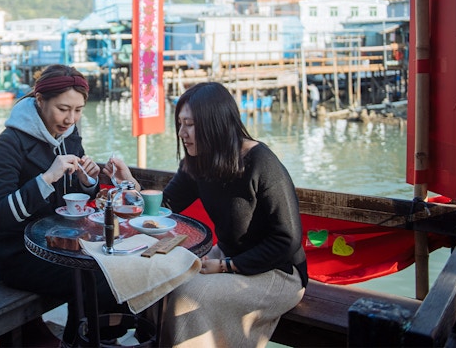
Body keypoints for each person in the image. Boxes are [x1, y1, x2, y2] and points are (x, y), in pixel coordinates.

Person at [105, 82, 307, 348]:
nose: (181, 133)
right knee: (159, 281)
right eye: (180, 124)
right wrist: (129, 184)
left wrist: (227, 267)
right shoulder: (198, 162)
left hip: (278, 272)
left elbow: (287, 240)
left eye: (189, 124)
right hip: (227, 255)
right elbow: (166, 205)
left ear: (215, 123)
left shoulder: (261, 162)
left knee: (188, 295)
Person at [0, 64, 129, 344]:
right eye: (63, 109)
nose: (70, 119)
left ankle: (88, 339)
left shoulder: (70, 136)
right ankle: (86, 341)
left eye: (78, 110)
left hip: (60, 244)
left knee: (112, 268)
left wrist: (89, 180)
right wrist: (46, 178)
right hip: (17, 253)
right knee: (97, 279)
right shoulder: (9, 143)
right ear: (40, 101)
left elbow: (75, 199)